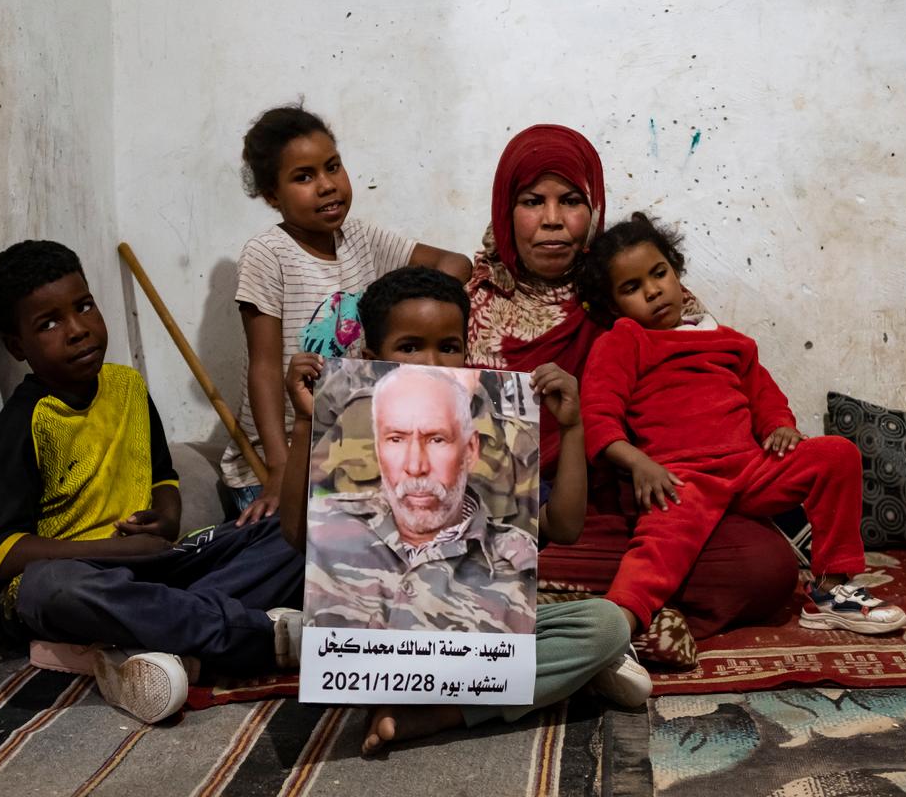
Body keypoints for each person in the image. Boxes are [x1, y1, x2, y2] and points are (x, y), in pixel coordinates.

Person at [465, 124, 802, 664]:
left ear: (593, 208)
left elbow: (715, 389)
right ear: (507, 210)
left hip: (642, 498)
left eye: (571, 200)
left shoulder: (631, 286)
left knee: (767, 567)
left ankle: (591, 619)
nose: (553, 219)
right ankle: (633, 620)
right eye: (533, 201)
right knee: (474, 560)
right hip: (531, 515)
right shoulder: (475, 305)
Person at [279, 266, 649, 757]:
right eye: (409, 347)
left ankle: (439, 715)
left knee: (605, 625)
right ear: (370, 362)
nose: (431, 362)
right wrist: (306, 422)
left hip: (474, 656)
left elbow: (567, 527)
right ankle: (569, 681)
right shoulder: (346, 520)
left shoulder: (502, 508)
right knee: (316, 629)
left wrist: (573, 426)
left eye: (448, 347)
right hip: (376, 657)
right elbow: (292, 534)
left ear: (470, 447)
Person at [0, 240, 305, 725]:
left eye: (84, 306)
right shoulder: (22, 425)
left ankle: (158, 648)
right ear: (17, 346)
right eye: (49, 323)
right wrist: (118, 553)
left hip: (156, 570)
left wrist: (166, 516)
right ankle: (255, 637)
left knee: (290, 530)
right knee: (51, 587)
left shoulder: (127, 387)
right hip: (81, 584)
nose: (78, 330)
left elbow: (163, 476)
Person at [577, 214, 906, 637]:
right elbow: (599, 417)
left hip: (752, 470)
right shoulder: (624, 341)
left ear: (676, 271)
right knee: (657, 555)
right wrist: (639, 463)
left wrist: (780, 426)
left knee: (837, 455)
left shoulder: (727, 340)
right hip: (683, 479)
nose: (653, 290)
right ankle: (614, 635)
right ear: (612, 305)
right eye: (632, 287)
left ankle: (831, 588)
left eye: (659, 273)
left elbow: (765, 396)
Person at [222, 106, 472, 527]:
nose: (326, 186)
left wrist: (394, 306)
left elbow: (456, 263)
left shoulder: (361, 237)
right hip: (277, 455)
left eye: (332, 167)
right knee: (301, 553)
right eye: (303, 177)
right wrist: (280, 472)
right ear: (271, 195)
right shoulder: (268, 255)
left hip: (346, 448)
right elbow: (264, 370)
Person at [303, 365, 539, 634]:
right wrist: (302, 423)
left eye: (437, 440)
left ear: (471, 449)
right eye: (396, 439)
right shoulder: (326, 525)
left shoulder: (518, 561)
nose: (416, 466)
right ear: (378, 448)